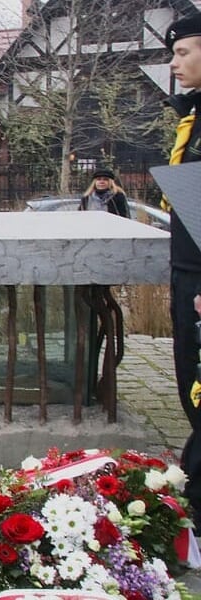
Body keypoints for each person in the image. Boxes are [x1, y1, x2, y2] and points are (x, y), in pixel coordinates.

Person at [163, 13, 201, 527]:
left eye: (184, 53)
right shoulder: (192, 116)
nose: (173, 64)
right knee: (189, 379)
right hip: (187, 269)